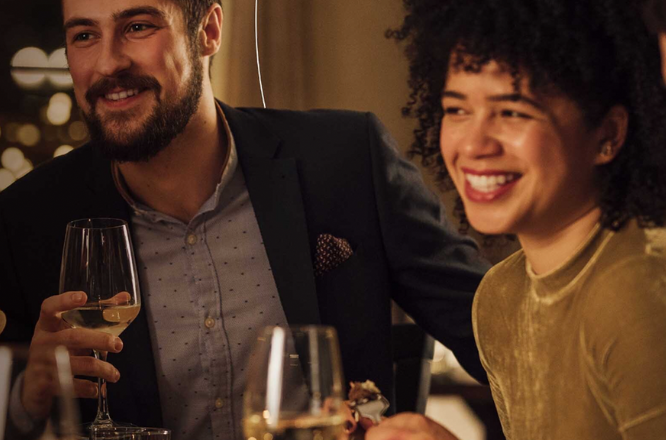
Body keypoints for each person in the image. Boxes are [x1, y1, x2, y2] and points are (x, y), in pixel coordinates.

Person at [0, 0, 489, 439]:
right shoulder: (29, 218)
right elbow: (15, 410)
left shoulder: (347, 160)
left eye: (139, 26)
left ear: (209, 30)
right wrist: (25, 396)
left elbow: (500, 337)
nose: (108, 62)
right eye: (84, 36)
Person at [369, 0, 666, 439]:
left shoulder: (640, 290)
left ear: (608, 135)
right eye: (457, 109)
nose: (473, 145)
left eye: (513, 112)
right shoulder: (499, 296)